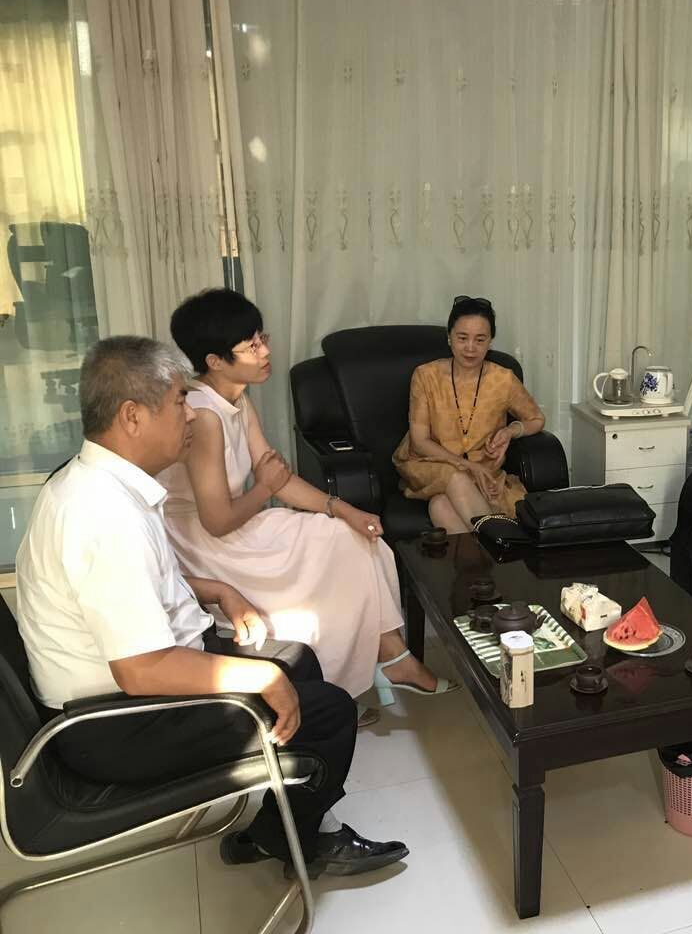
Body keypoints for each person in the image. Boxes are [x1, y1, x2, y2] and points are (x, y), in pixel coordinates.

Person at [14, 336, 407, 877]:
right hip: (117, 724)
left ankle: (284, 828)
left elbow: (139, 588)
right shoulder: (103, 516)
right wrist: (259, 679)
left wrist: (216, 590)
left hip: (126, 693)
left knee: (298, 660)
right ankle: (297, 842)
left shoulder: (95, 483)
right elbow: (140, 669)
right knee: (330, 712)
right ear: (132, 416)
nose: (191, 415)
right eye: (179, 401)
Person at [159, 289, 453, 712]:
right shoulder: (203, 416)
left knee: (355, 536)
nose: (265, 351)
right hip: (206, 543)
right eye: (251, 346)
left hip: (240, 523)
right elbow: (219, 518)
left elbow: (279, 480)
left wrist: (344, 509)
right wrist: (264, 488)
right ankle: (360, 677)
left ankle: (389, 659)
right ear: (215, 361)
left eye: (262, 338)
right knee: (334, 554)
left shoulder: (237, 398)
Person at [393, 295, 546, 534]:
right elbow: (420, 442)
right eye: (462, 338)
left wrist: (510, 431)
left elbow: (536, 419)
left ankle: (485, 557)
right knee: (455, 477)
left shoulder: (503, 379)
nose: (471, 348)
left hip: (482, 471)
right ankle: (502, 540)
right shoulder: (426, 376)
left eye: (480, 339)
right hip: (430, 464)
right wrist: (468, 466)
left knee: (440, 506)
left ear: (490, 341)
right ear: (449, 337)